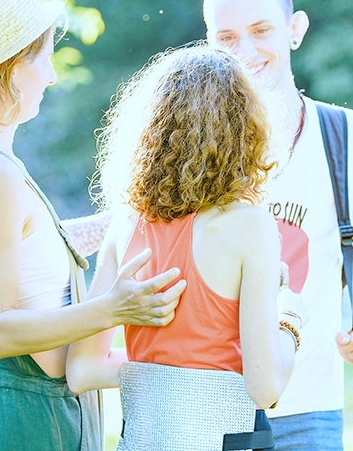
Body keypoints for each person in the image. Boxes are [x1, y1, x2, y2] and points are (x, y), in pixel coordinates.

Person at [0, 0, 186, 451]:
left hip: (1, 419)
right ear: (10, 70)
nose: (51, 75)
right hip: (29, 424)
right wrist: (112, 308)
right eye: (44, 60)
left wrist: (123, 221)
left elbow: (14, 250)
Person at [202, 0, 353, 450]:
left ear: (295, 29)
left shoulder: (348, 136)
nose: (244, 51)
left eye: (261, 30)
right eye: (226, 37)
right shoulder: (194, 143)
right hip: (206, 404)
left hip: (309, 407)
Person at [67, 45, 303, 450]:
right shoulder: (250, 227)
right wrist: (291, 320)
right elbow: (265, 388)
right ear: (245, 131)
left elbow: (83, 371)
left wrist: (161, 373)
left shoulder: (126, 226)